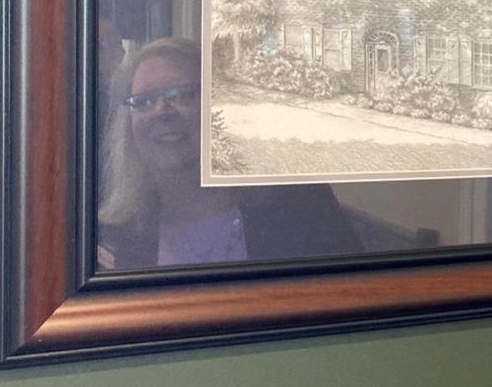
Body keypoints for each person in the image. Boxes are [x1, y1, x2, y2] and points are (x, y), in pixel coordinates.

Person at [98, 36, 360, 268]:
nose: (161, 111)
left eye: (183, 94)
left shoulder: (301, 202)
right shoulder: (119, 235)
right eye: (143, 102)